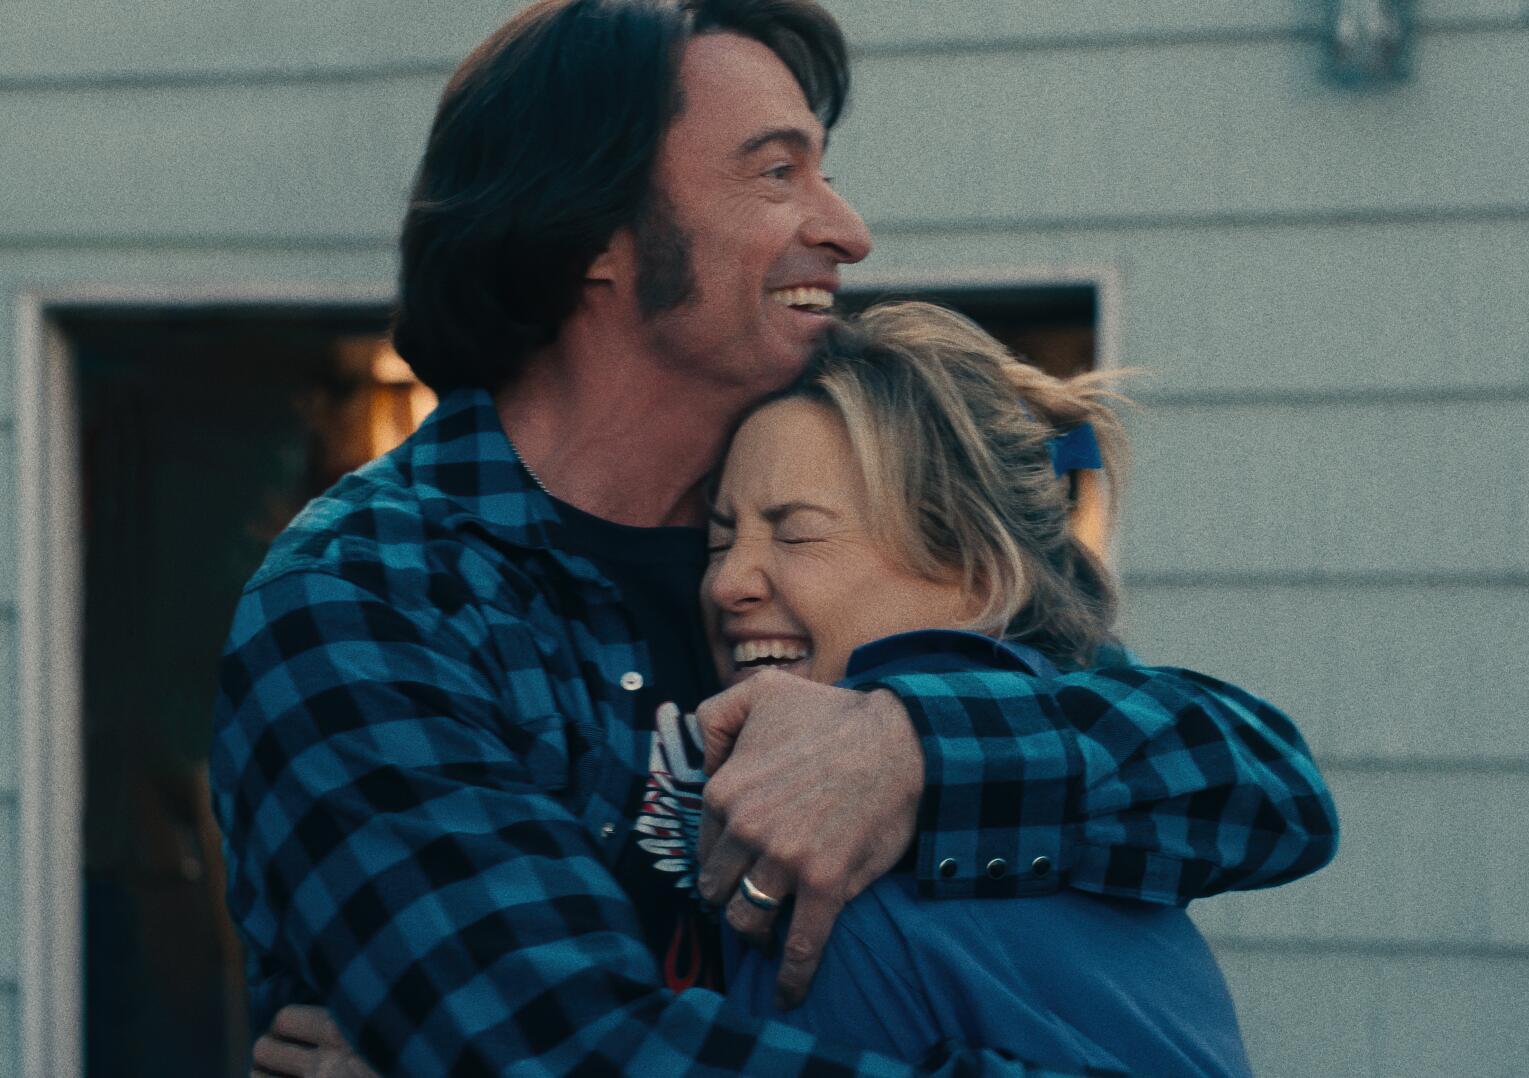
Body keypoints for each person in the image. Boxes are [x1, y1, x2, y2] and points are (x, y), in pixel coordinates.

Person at [214, 1, 1337, 1075]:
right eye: (775, 172)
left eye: (823, 171)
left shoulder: (828, 529)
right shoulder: (371, 600)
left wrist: (911, 747)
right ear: (591, 237)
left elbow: (1260, 786)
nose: (844, 230)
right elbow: (565, 1053)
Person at [684, 301, 1256, 1073]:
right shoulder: (1090, 790)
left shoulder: (834, 869)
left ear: (977, 572)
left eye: (796, 532)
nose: (729, 582)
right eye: (720, 537)